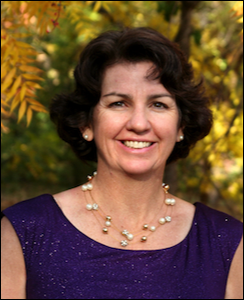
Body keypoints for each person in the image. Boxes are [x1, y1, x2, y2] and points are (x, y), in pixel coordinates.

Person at [1, 27, 243, 299]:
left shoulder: (228, 244)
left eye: (159, 105)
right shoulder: (25, 233)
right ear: (86, 123)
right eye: (118, 103)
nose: (139, 124)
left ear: (181, 126)